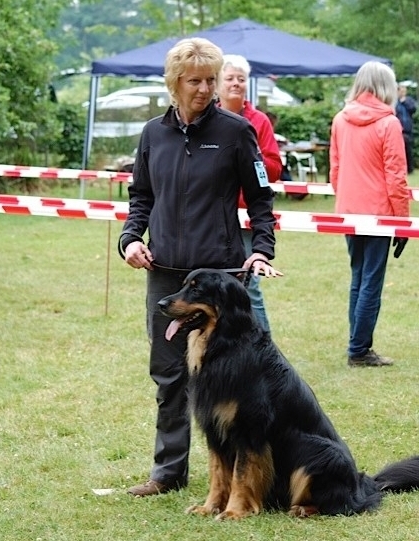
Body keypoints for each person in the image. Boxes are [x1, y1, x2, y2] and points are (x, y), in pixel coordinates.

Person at [118, 37, 280, 497]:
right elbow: (141, 198)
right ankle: (167, 474)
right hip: (166, 271)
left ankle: (249, 473)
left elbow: (263, 200)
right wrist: (130, 239)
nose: (205, 89)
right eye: (195, 81)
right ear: (174, 83)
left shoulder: (235, 132)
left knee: (238, 377)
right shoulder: (153, 134)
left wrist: (260, 249)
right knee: (169, 375)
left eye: (211, 79)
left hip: (221, 277)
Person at [330, 61, 410, 368]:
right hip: (378, 214)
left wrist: (347, 199)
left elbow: (335, 170)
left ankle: (357, 343)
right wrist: (402, 223)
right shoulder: (389, 124)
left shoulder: (340, 119)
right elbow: (396, 177)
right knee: (371, 282)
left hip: (349, 212)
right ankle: (359, 350)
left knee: (358, 277)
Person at [217, 54, 282, 332]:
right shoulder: (208, 119)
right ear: (217, 84)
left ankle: (264, 348)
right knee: (218, 286)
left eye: (241, 79)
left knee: (249, 285)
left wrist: (248, 159)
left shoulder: (260, 121)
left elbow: (274, 169)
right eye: (229, 78)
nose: (235, 84)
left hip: (247, 218)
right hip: (215, 217)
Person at [395, 84, 417, 174]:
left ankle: (410, 169)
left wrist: (405, 102)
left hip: (408, 129)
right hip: (399, 129)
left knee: (408, 150)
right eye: (401, 91)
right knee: (399, 151)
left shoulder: (409, 101)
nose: (402, 93)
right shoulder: (395, 102)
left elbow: (413, 109)